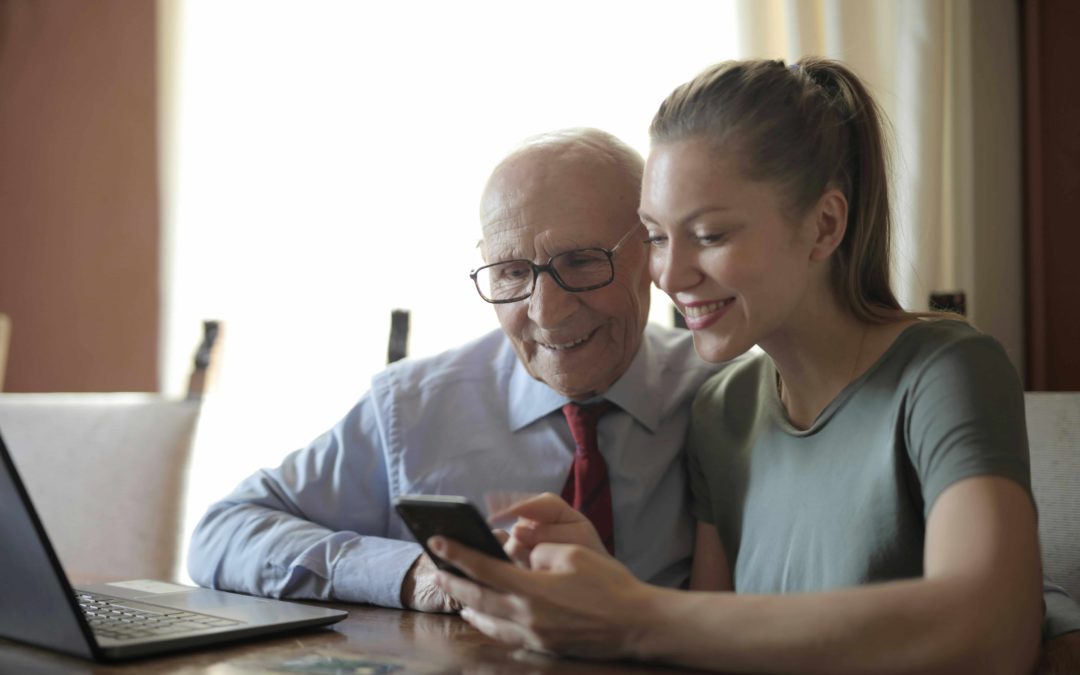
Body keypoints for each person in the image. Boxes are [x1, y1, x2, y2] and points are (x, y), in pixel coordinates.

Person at [433, 58, 1073, 673]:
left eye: (710, 235)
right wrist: (600, 585)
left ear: (824, 226)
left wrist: (631, 613)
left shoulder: (946, 370)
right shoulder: (723, 407)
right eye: (656, 236)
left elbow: (993, 634)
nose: (670, 275)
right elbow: (715, 641)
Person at [186, 128, 721, 612]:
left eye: (581, 262)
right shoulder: (412, 407)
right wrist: (411, 573)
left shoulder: (728, 399)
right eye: (512, 273)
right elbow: (222, 533)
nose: (545, 312)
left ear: (652, 252)